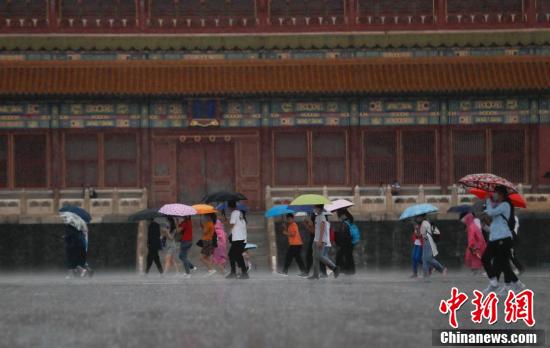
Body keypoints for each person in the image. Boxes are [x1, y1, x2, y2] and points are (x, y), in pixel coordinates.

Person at [482, 185, 525, 294]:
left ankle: (496, 283)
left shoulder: (506, 205)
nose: (493, 195)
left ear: (501, 194)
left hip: (503, 238)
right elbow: (492, 215)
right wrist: (488, 205)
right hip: (495, 237)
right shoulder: (499, 205)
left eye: (495, 193)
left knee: (499, 262)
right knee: (500, 263)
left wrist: (488, 200)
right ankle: (512, 284)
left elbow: (492, 212)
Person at [309, 205, 340, 280]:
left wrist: (320, 240)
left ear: (319, 208)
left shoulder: (322, 216)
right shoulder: (317, 217)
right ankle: (315, 275)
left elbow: (322, 229)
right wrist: (310, 224)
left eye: (315, 208)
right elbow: (316, 230)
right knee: (315, 257)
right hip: (316, 240)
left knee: (319, 256)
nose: (314, 209)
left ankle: (334, 268)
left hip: (321, 240)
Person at [416, 214, 447, 278]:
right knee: (424, 258)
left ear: (422, 217)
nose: (417, 219)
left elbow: (421, 234)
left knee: (428, 258)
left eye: (418, 217)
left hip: (429, 242)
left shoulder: (424, 223)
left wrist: (417, 229)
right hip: (426, 241)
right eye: (417, 218)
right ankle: (425, 274)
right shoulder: (424, 223)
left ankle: (442, 269)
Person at [225, 201, 249, 279]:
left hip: (238, 238)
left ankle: (239, 272)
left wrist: (225, 221)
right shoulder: (240, 213)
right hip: (241, 238)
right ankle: (238, 272)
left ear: (229, 207)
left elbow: (231, 225)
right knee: (236, 255)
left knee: (233, 255)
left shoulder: (234, 213)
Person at [61, 212, 88, 278]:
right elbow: (83, 233)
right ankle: (79, 272)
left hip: (72, 245)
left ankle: (79, 272)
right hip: (79, 244)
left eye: (65, 218)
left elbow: (70, 236)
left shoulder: (70, 227)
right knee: (76, 260)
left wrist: (65, 237)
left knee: (71, 260)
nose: (64, 219)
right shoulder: (80, 225)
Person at [335, 208, 356, 275]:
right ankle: (348, 270)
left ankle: (347, 270)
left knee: (343, 256)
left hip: (346, 242)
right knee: (347, 256)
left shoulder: (346, 222)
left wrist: (337, 234)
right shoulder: (348, 221)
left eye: (339, 215)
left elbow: (344, 233)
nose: (339, 217)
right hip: (348, 242)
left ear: (343, 215)